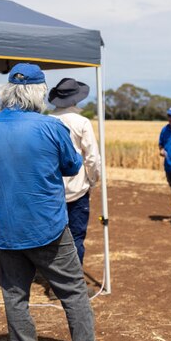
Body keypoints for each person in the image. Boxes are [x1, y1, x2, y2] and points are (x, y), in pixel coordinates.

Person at [0, 63, 115, 341]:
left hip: (7, 226)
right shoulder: (51, 127)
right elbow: (72, 166)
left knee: (15, 297)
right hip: (47, 226)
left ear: (8, 92)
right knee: (74, 293)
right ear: (39, 93)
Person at [48, 78, 101, 265]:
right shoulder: (82, 122)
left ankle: (56, 279)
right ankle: (73, 283)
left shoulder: (46, 121)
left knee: (54, 236)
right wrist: (92, 181)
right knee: (76, 236)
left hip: (51, 189)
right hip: (78, 189)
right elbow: (92, 158)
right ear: (75, 99)